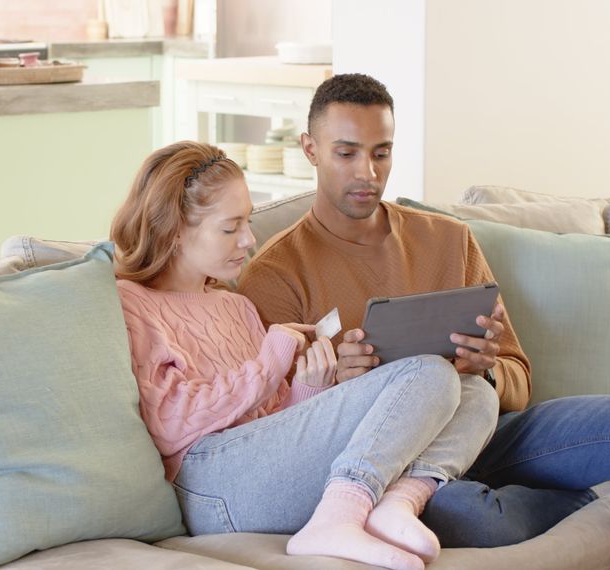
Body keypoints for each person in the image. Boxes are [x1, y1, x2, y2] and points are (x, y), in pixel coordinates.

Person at [236, 73, 610, 570]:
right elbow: (274, 436)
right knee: (464, 513)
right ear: (310, 149)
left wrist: (487, 368)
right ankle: (588, 500)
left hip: (485, 432)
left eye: (381, 152)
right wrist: (337, 387)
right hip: (396, 474)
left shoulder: (449, 240)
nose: (368, 173)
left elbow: (520, 381)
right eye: (346, 153)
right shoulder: (273, 275)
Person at [109, 141, 500, 570]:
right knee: (427, 371)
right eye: (230, 228)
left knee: (475, 390)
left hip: (264, 473)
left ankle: (397, 502)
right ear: (175, 230)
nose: (248, 239)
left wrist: (307, 387)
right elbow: (170, 424)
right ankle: (341, 515)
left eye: (248, 222)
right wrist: (269, 364)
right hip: (210, 485)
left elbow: (272, 423)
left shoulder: (233, 305)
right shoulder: (133, 303)